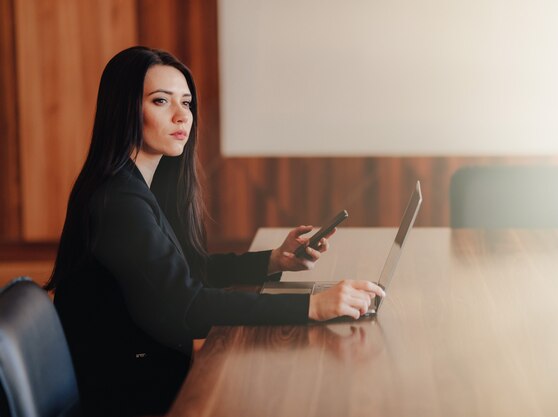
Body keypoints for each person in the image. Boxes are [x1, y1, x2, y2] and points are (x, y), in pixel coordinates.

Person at [44, 46, 385, 417]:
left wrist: (271, 261)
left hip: (146, 371)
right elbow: (185, 306)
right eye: (161, 101)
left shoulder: (135, 186)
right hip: (132, 395)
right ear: (124, 109)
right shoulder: (118, 201)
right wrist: (312, 306)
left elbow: (184, 272)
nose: (181, 116)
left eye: (187, 103)